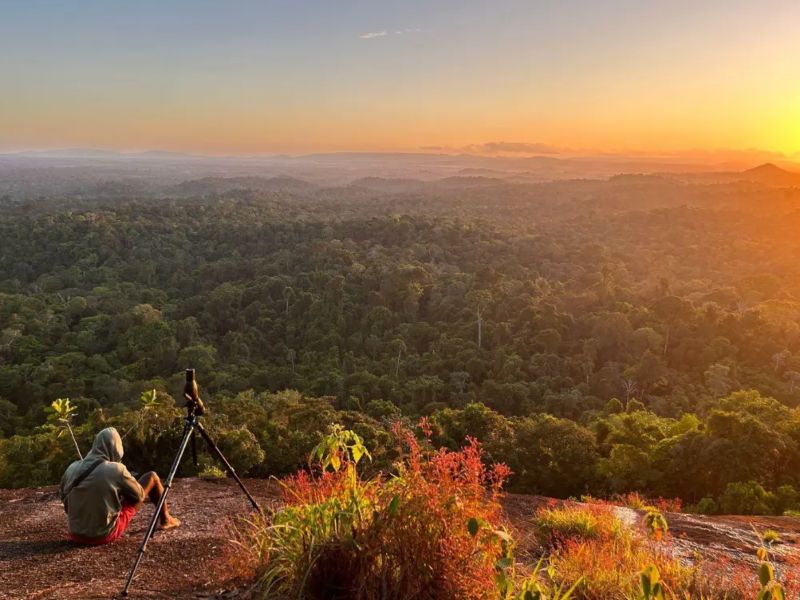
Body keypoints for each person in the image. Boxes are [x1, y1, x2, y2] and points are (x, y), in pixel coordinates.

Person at [59, 427, 180, 545]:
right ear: (117, 448)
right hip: (102, 535)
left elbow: (65, 500)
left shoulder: (72, 468)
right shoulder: (116, 469)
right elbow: (139, 496)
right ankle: (166, 520)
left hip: (75, 534)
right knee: (152, 477)